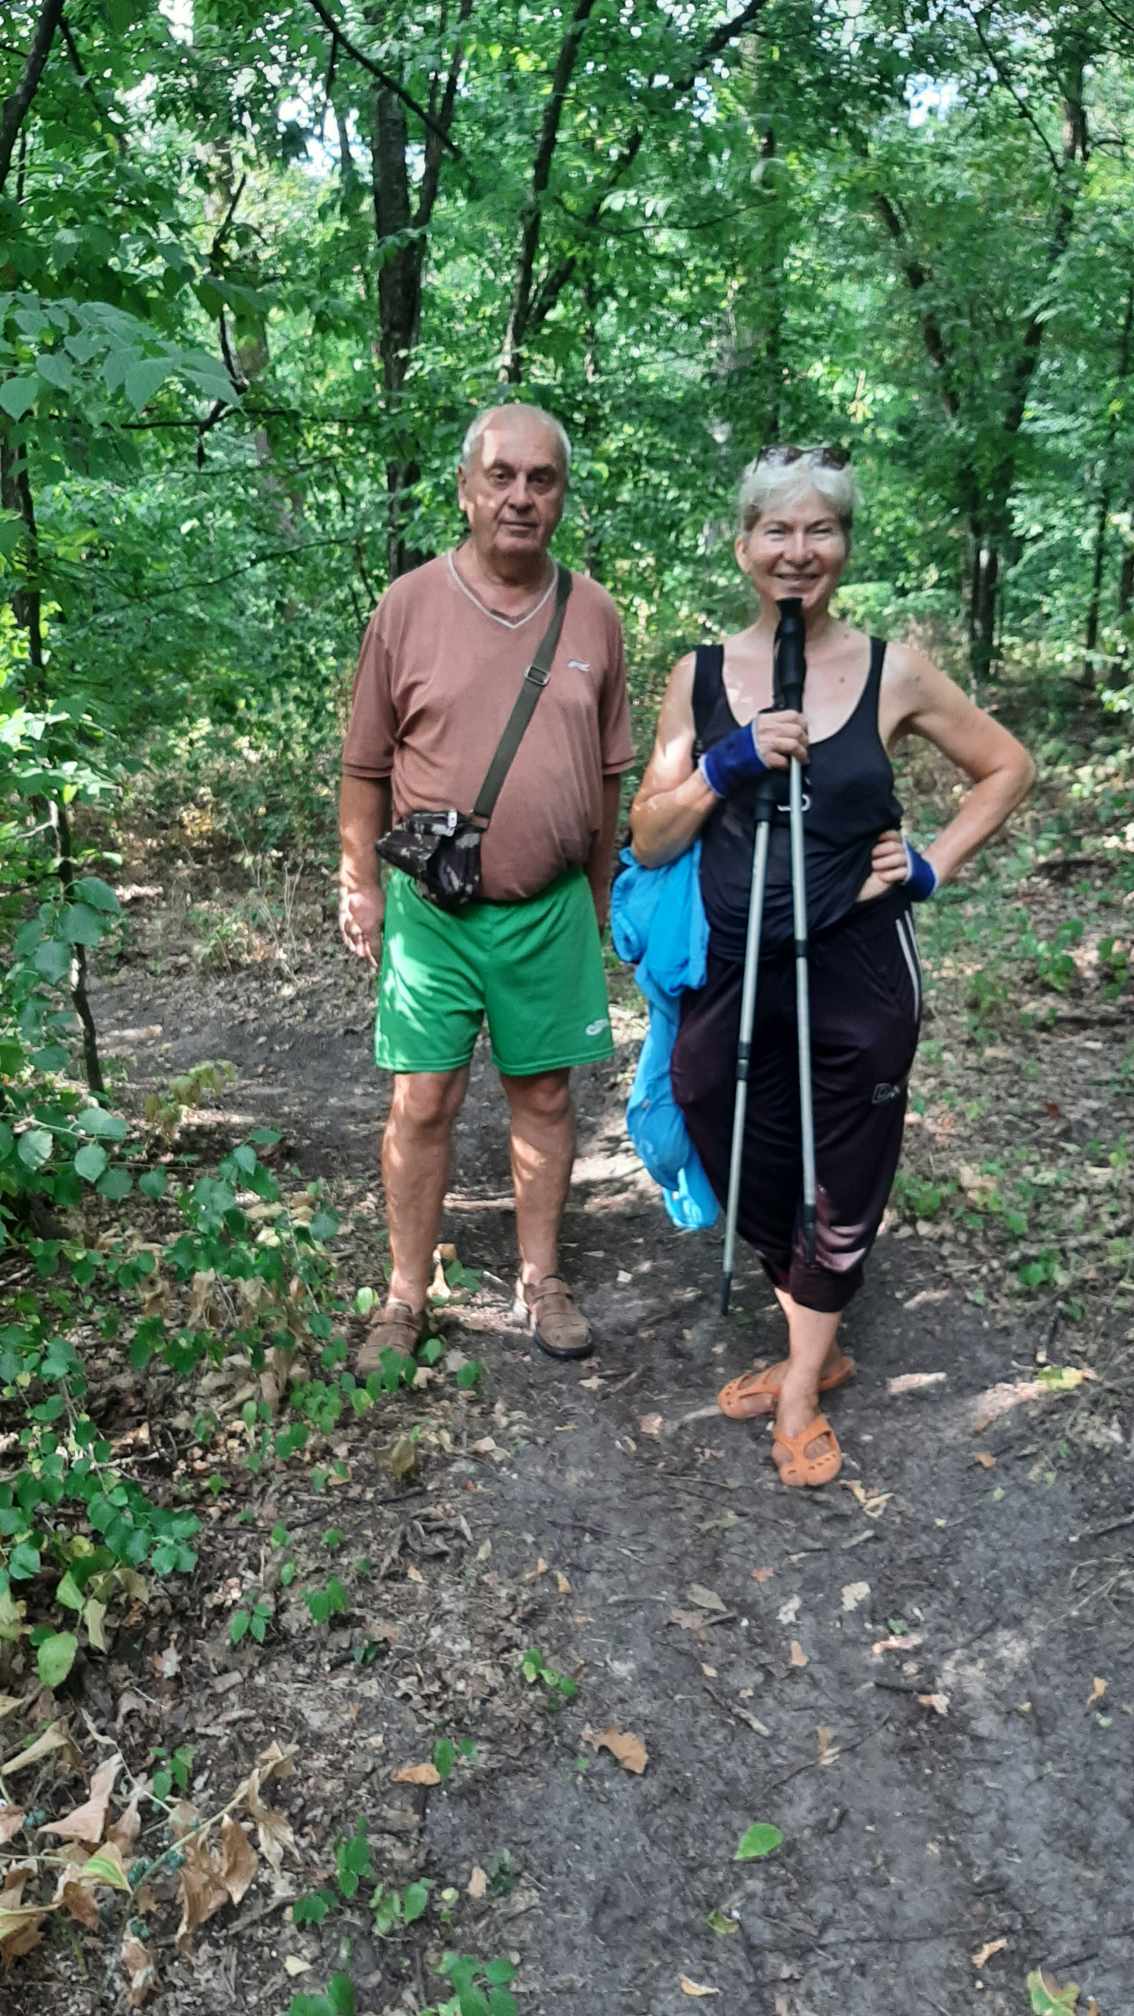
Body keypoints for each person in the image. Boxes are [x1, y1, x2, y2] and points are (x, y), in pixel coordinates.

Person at [629, 445, 1034, 1487]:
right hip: (735, 966)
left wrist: (932, 865)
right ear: (744, 547)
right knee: (718, 1116)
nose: (798, 551)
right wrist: (724, 764)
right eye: (778, 530)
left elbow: (1006, 765)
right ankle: (813, 1329)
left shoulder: (894, 670)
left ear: (846, 546)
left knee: (846, 1166)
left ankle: (804, 1380)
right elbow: (650, 836)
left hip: (859, 967)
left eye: (821, 531)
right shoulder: (699, 675)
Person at [339, 402, 634, 1367]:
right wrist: (360, 882)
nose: (520, 497)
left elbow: (608, 775)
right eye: (500, 476)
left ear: (562, 496)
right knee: (423, 1099)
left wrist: (599, 894)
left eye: (541, 479)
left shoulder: (593, 614)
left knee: (544, 1095)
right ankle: (404, 1295)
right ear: (465, 489)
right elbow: (364, 765)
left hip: (549, 908)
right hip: (432, 909)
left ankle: (541, 1278)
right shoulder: (408, 606)